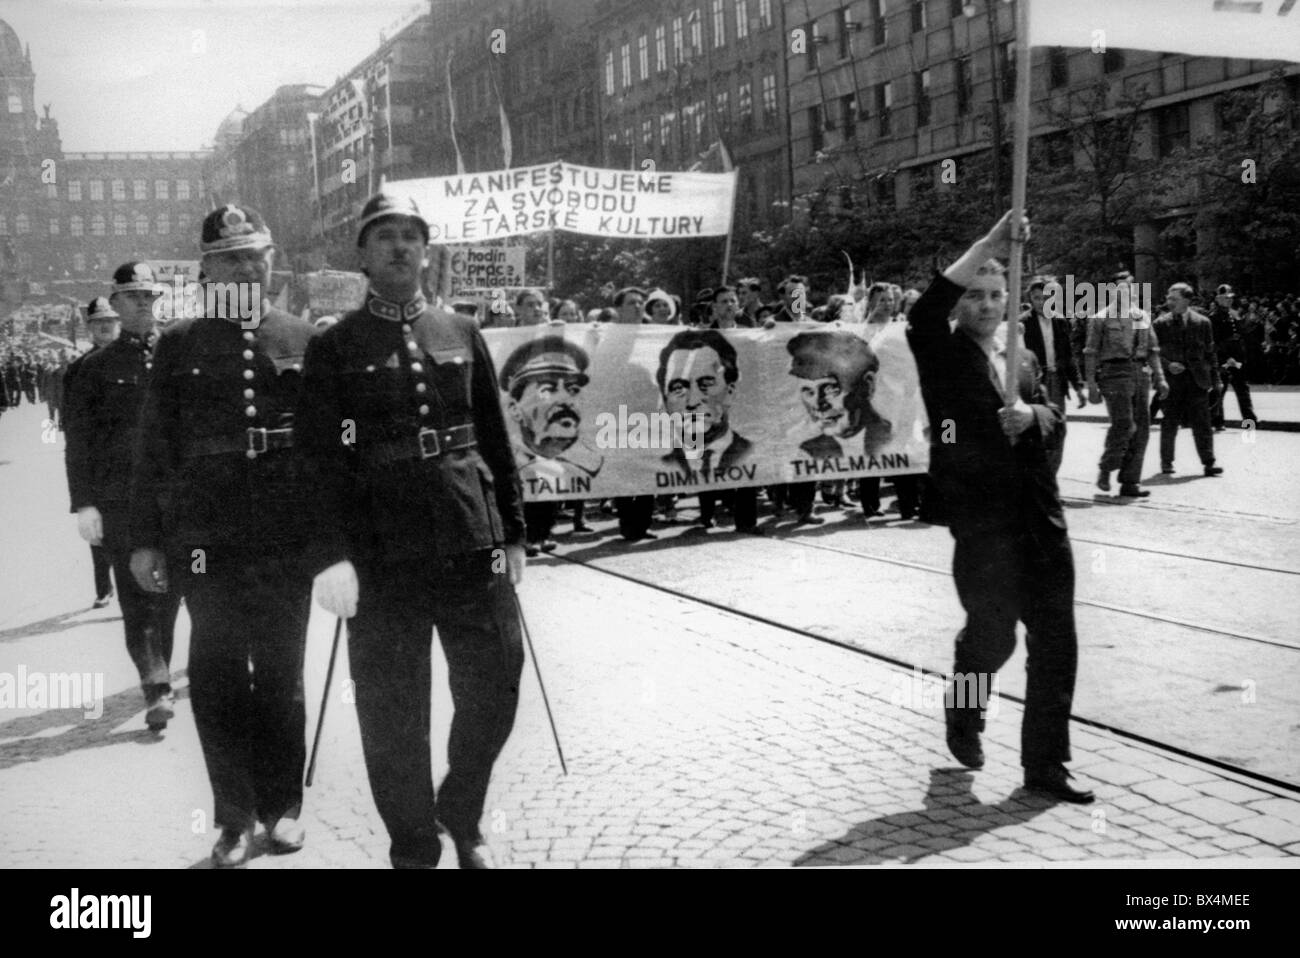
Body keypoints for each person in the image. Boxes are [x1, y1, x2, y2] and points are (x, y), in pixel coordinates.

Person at [296, 192, 526, 870]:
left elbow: (493, 434)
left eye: (410, 235)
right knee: (393, 711)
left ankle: (462, 808)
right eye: (384, 236)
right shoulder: (335, 347)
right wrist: (329, 556)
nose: (399, 246)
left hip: (467, 536)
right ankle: (414, 845)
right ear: (362, 255)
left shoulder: (460, 330)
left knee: (497, 682)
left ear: (426, 250)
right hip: (379, 552)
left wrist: (512, 533)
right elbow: (317, 459)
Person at [129, 204, 318, 867]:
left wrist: (338, 542)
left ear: (270, 260)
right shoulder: (179, 344)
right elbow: (153, 448)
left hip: (283, 537)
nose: (246, 266)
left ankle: (283, 808)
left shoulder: (301, 336)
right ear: (206, 269)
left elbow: (326, 450)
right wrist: (145, 540)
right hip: (206, 537)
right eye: (230, 258)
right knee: (214, 675)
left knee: (281, 676)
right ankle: (234, 819)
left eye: (255, 255)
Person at [907, 210, 1093, 804]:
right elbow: (922, 313)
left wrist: (1033, 415)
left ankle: (1045, 767)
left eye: (996, 295)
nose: (987, 305)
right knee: (992, 640)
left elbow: (1055, 416)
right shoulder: (942, 354)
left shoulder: (1023, 360)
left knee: (1056, 643)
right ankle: (964, 710)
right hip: (984, 528)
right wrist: (988, 241)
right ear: (961, 305)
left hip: (1041, 521)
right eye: (976, 296)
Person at [65, 269, 185, 736]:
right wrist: (85, 504)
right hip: (121, 503)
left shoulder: (179, 354)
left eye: (148, 296)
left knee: (172, 593)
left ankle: (163, 672)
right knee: (136, 596)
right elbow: (79, 441)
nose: (141, 304)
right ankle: (155, 685)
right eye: (131, 297)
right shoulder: (92, 370)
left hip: (175, 499)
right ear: (116, 301)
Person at [498, 336, 603, 555]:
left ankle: (543, 534)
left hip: (553, 468)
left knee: (550, 488)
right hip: (523, 469)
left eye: (573, 389)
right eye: (548, 389)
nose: (566, 399)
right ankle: (526, 537)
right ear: (516, 409)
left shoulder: (583, 463)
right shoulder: (513, 460)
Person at [1083, 277, 1168, 498]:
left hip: (1139, 373)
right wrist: (1091, 384)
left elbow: (1152, 350)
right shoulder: (1100, 319)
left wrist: (1160, 378)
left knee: (1141, 428)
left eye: (1127, 290)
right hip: (1113, 374)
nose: (1123, 294)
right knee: (1123, 424)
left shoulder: (1140, 316)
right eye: (1118, 290)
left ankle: (1130, 482)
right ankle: (1106, 467)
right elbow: (1091, 353)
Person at [64, 305, 121, 607]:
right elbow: (73, 426)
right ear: (89, 328)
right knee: (99, 530)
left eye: (110, 322)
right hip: (99, 462)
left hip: (134, 461)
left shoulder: (137, 359)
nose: (105, 328)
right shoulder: (79, 368)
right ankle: (104, 587)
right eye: (99, 323)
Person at [786, 329, 891, 458]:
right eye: (809, 392)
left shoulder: (902, 438)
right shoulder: (807, 452)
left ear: (868, 386)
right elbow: (797, 310)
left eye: (830, 389)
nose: (818, 405)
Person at [1154, 283, 1222, 477]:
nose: (1169, 302)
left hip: (1197, 380)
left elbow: (1210, 352)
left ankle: (1209, 462)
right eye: (1168, 298)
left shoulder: (1202, 322)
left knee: (1203, 422)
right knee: (1170, 422)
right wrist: (1168, 365)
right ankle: (1166, 462)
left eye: (1174, 299)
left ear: (1186, 300)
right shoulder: (1160, 323)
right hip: (1171, 382)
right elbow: (1153, 353)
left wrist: (1215, 379)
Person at [1021, 277, 1085, 475]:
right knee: (1034, 433)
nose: (1041, 302)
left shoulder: (1060, 321)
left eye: (1046, 297)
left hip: (1057, 381)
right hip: (1034, 383)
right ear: (1030, 299)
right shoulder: (1023, 323)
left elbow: (1068, 356)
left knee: (1057, 431)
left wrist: (1078, 386)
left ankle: (1051, 482)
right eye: (1036, 298)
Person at [611, 286, 656, 540]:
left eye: (640, 302)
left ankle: (643, 522)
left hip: (649, 409)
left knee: (647, 466)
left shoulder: (653, 334)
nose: (638, 306)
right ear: (619, 309)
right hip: (620, 411)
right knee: (625, 468)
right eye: (631, 303)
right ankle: (628, 524)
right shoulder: (611, 336)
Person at [1209, 284, 1256, 429]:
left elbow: (1242, 336)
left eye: (1230, 298)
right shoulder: (1213, 318)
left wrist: (1241, 356)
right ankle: (1217, 421)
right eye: (1224, 298)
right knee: (1219, 391)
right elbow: (1213, 341)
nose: (1228, 300)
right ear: (1218, 299)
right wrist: (1224, 357)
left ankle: (1249, 421)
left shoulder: (1235, 314)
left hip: (1237, 358)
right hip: (1223, 359)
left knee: (1242, 390)